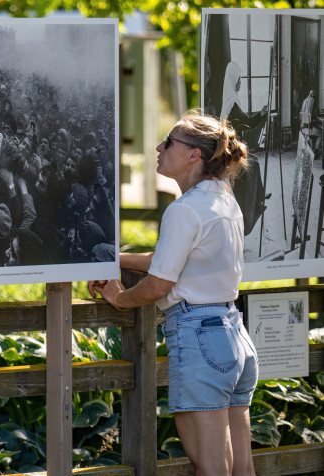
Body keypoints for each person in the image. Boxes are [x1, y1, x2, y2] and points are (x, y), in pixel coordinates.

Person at [88, 110, 258, 476]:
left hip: (200, 339)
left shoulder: (184, 209)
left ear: (193, 154)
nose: (159, 147)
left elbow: (159, 285)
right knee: (241, 469)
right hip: (234, 335)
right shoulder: (223, 199)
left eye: (169, 142)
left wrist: (119, 298)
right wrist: (118, 259)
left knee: (211, 468)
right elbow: (174, 256)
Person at [220, 61, 269, 236]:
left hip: (232, 147)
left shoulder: (230, 100)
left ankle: (260, 197)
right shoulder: (231, 102)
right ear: (233, 80)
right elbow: (246, 123)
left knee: (254, 162)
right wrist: (262, 114)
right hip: (230, 151)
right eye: (239, 79)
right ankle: (255, 203)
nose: (240, 82)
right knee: (253, 165)